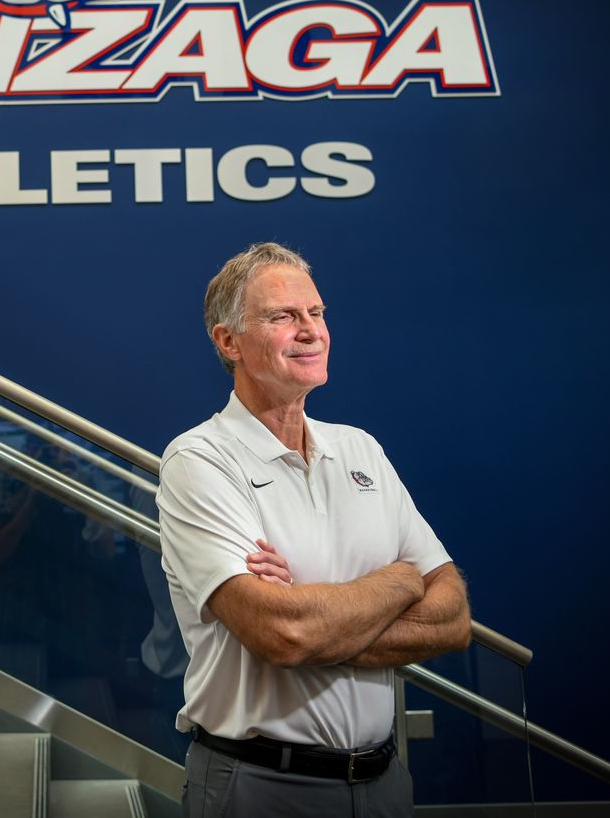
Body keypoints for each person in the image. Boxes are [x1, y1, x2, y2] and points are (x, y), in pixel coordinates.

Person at [157, 242, 470, 818]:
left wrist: (316, 613)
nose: (310, 331)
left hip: (384, 784)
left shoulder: (360, 449)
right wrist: (400, 582)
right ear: (229, 341)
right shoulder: (199, 460)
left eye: (316, 314)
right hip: (259, 787)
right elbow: (285, 635)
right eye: (283, 317)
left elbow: (452, 617)